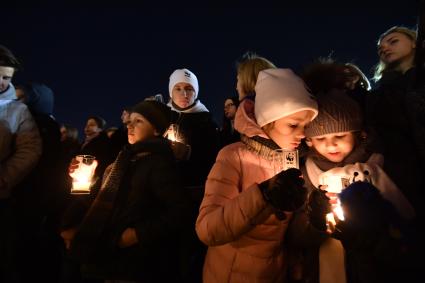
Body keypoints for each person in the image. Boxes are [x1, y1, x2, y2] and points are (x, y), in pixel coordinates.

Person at [196, 68, 318, 283]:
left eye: (306, 126)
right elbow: (207, 230)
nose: (302, 134)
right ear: (268, 120)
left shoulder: (295, 162)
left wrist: (315, 216)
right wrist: (263, 195)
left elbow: (292, 236)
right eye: (293, 125)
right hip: (230, 273)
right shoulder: (234, 156)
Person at [288, 90, 416, 283]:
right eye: (321, 139)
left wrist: (374, 238)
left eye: (340, 135)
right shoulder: (307, 175)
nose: (331, 145)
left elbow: (407, 224)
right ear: (309, 141)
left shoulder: (380, 167)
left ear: (358, 134)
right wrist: (314, 221)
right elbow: (297, 237)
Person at [61, 100, 189, 282]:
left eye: (139, 121)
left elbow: (179, 211)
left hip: (138, 262)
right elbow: (99, 199)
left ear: (156, 130)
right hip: (110, 254)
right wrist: (86, 178)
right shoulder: (123, 161)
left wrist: (136, 235)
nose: (130, 125)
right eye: (130, 121)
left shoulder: (159, 163)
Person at [166, 68, 219, 282]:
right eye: (178, 88)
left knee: (187, 252)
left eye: (189, 89)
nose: (184, 94)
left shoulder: (206, 122)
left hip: (192, 194)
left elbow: (213, 158)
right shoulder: (161, 117)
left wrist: (188, 153)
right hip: (163, 194)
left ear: (196, 92)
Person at [366, 26, 425, 220]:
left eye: (393, 41)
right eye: (380, 48)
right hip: (401, 179)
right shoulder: (380, 93)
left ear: (414, 42)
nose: (384, 48)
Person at [0, 45, 42, 282]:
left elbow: (30, 149)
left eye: (6, 77)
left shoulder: (17, 111)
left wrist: (5, 177)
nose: (1, 82)